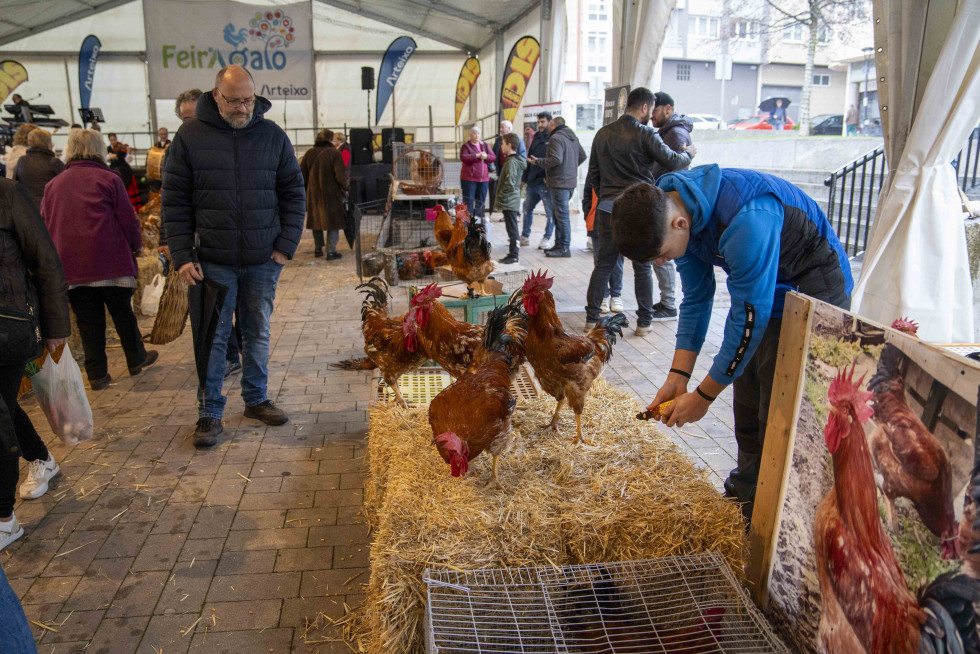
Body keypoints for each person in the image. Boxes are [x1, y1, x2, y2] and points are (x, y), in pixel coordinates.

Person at [612, 164, 853, 521]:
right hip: (766, 287)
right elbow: (696, 298)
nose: (663, 262)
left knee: (779, 411)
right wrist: (679, 376)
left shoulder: (746, 220)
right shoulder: (676, 205)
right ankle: (744, 501)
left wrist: (704, 397)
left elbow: (746, 321)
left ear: (678, 225)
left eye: (661, 254)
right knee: (749, 399)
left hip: (815, 284)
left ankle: (778, 515)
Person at [162, 65, 306, 449]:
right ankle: (209, 412)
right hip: (211, 261)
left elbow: (294, 192)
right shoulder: (189, 136)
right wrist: (181, 253)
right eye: (234, 101)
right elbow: (174, 200)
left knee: (257, 332)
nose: (242, 108)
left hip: (263, 260)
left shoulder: (272, 136)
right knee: (213, 336)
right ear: (215, 95)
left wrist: (285, 246)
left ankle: (256, 399)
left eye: (248, 101)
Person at [42, 129, 159, 391]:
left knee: (87, 322)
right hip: (110, 263)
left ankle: (97, 375)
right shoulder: (109, 179)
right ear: (98, 148)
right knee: (123, 313)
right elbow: (128, 219)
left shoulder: (53, 185)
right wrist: (137, 246)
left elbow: (46, 224)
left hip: (72, 268)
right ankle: (136, 358)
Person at [584, 87, 694, 336]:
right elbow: (674, 161)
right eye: (651, 109)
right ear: (644, 108)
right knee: (642, 265)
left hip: (607, 209)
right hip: (640, 210)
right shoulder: (645, 134)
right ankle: (644, 322)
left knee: (604, 265)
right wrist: (688, 152)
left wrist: (607, 198)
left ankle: (591, 319)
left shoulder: (602, 134)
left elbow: (593, 175)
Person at [0, 178, 70, 552]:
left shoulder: (7, 194)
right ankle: (41, 457)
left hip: (6, 329)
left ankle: (4, 518)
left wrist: (56, 326)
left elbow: (45, 259)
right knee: (4, 408)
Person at [647, 91, 695, 323]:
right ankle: (666, 301)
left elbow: (677, 170)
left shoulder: (675, 134)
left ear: (668, 109)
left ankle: (668, 304)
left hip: (668, 203)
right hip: (664, 200)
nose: (651, 116)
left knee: (662, 253)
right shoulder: (667, 133)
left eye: (654, 110)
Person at [529, 116, 586, 258]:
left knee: (561, 216)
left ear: (553, 124)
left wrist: (539, 162)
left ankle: (564, 248)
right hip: (568, 182)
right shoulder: (572, 137)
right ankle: (559, 245)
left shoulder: (556, 138)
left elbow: (556, 159)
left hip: (559, 182)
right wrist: (570, 169)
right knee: (558, 215)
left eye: (548, 124)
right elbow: (582, 156)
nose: (546, 127)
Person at [302, 129, 348, 260]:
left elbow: (302, 175)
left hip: (313, 194)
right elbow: (340, 176)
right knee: (333, 222)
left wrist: (307, 190)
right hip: (331, 194)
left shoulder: (309, 153)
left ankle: (318, 249)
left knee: (316, 220)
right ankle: (331, 251)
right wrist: (345, 187)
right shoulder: (334, 153)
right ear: (330, 139)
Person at [583, 177, 623, 314]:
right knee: (600, 261)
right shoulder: (595, 174)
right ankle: (604, 296)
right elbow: (587, 195)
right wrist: (587, 214)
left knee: (618, 261)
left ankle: (616, 295)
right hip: (596, 221)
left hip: (619, 221)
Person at [520, 111, 555, 250]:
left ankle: (547, 238)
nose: (540, 125)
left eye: (543, 122)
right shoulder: (536, 137)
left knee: (549, 213)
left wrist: (549, 176)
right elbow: (529, 158)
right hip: (532, 182)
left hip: (545, 183)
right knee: (527, 208)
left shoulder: (553, 138)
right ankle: (525, 236)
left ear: (549, 122)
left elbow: (555, 160)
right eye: (538, 122)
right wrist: (524, 178)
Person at [494, 133, 527, 264]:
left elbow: (511, 183)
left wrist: (502, 195)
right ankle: (512, 253)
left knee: (512, 228)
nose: (501, 146)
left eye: (502, 143)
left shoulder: (512, 162)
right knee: (510, 227)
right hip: (510, 199)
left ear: (509, 145)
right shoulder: (511, 160)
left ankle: (514, 255)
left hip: (510, 200)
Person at [13, 128, 64, 209]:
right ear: (47, 143)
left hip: (26, 208)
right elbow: (64, 189)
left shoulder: (21, 161)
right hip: (49, 209)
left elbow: (15, 185)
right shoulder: (55, 163)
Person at [489, 120, 527, 217]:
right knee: (503, 188)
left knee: (512, 190)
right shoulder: (498, 140)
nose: (501, 130)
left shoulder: (518, 140)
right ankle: (505, 213)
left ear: (509, 128)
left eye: (502, 127)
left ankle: (515, 214)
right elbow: (494, 154)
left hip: (513, 170)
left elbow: (522, 156)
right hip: (502, 169)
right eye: (500, 127)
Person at [459, 125, 495, 220]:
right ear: (470, 135)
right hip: (469, 179)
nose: (476, 136)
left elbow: (493, 157)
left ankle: (479, 221)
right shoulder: (466, 146)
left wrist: (486, 156)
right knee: (469, 200)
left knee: (481, 201)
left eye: (478, 134)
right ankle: (468, 221)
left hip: (484, 179)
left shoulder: (485, 145)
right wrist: (477, 155)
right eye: (474, 134)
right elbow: (463, 157)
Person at [107, 132, 141, 211]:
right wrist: (110, 156)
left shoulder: (123, 148)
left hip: (124, 171)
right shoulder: (108, 148)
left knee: (127, 188)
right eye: (111, 140)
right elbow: (105, 159)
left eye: (114, 139)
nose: (113, 142)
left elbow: (128, 161)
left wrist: (129, 152)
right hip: (114, 171)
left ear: (116, 138)